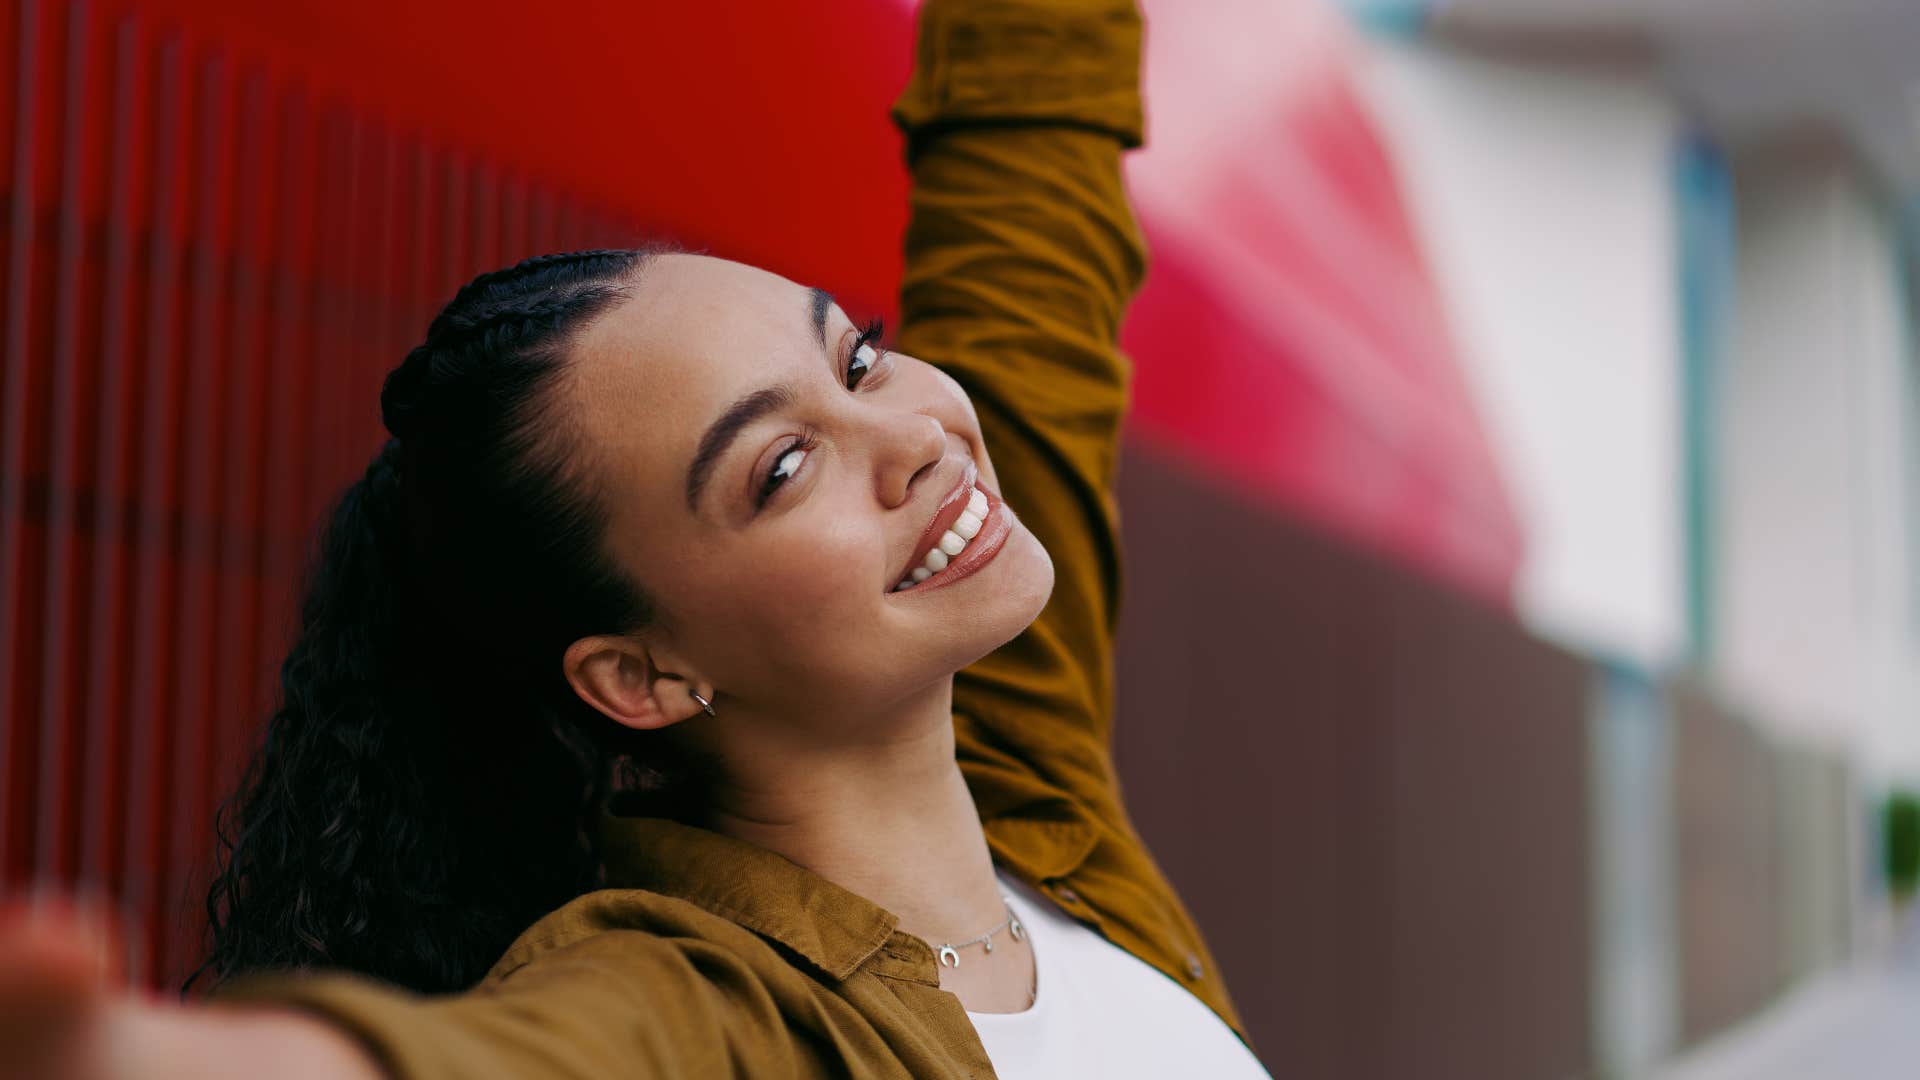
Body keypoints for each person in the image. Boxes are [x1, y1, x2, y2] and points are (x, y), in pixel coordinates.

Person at [0, 0, 1271, 1075]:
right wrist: (133, 1054)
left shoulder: (1025, 782)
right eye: (781, 467)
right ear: (642, 674)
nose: (918, 437)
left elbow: (1029, 212)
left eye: (860, 356)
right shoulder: (703, 997)